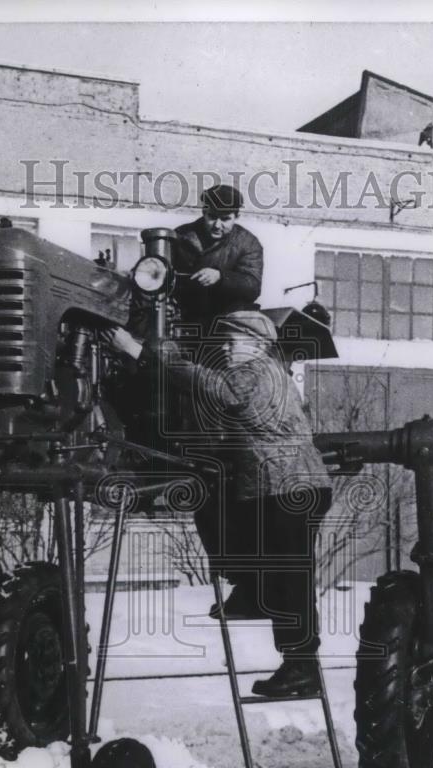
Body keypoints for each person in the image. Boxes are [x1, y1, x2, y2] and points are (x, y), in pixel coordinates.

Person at [106, 312, 332, 698]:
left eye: (235, 341)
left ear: (259, 344)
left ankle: (301, 666)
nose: (227, 349)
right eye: (224, 341)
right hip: (280, 485)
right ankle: (254, 595)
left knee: (290, 576)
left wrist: (140, 352)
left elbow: (214, 387)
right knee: (233, 520)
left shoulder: (258, 371)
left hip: (287, 486)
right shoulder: (266, 370)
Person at [172, 183, 264, 337]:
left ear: (237, 217)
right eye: (212, 217)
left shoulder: (248, 243)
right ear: (204, 212)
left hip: (225, 327)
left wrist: (221, 277)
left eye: (225, 219)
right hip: (184, 322)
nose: (217, 225)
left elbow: (252, 286)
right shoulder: (180, 235)